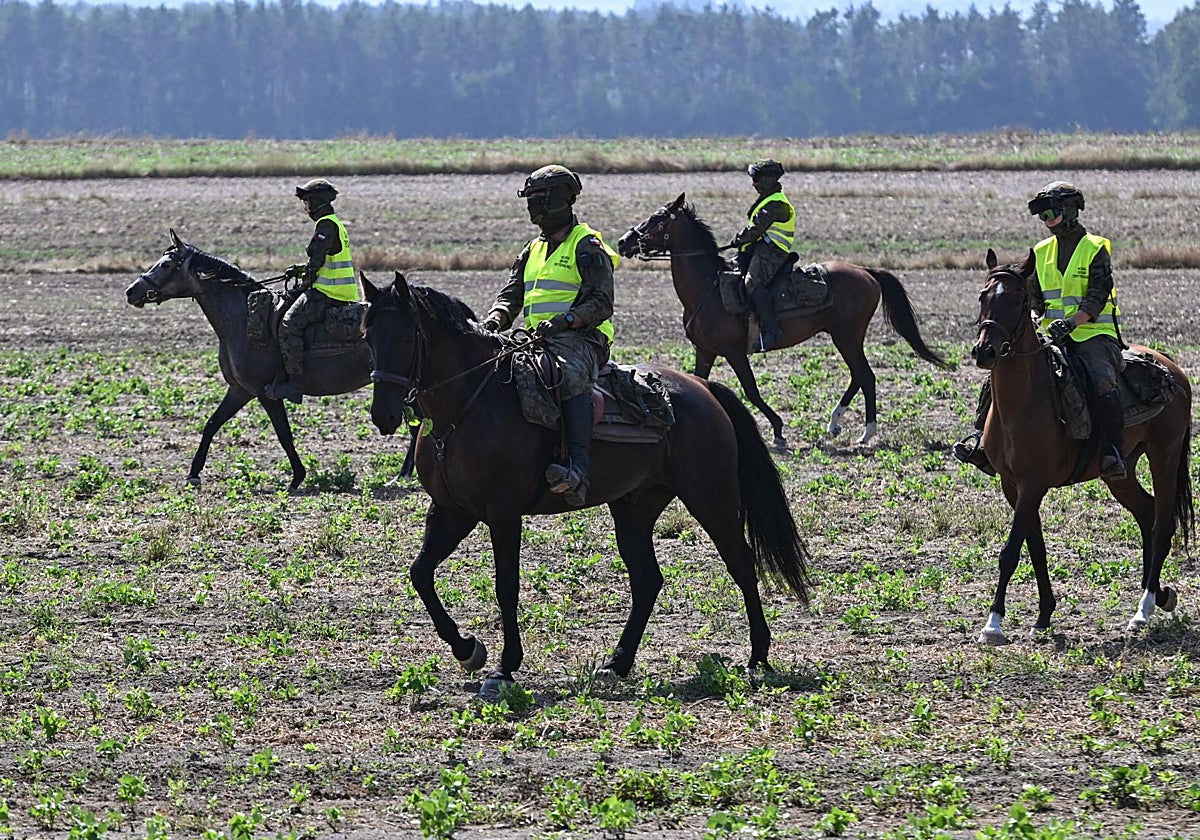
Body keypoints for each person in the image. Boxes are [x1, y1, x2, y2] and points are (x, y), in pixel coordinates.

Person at [954, 181, 1127, 480]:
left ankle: (1112, 452)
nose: (1047, 221)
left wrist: (1072, 323)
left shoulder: (1095, 248)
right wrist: (1035, 317)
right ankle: (982, 443)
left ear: (1071, 210)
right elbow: (1034, 299)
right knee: (995, 379)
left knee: (1100, 380)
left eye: (1052, 213)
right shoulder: (1040, 252)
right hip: (1051, 336)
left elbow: (1097, 297)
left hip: (1093, 335)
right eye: (1043, 216)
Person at [478, 164, 617, 506]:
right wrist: (496, 320)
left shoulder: (587, 245)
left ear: (562, 200)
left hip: (582, 340)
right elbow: (512, 295)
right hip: (535, 337)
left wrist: (567, 320)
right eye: (531, 199)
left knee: (567, 375)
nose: (533, 206)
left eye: (540, 199)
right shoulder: (531, 250)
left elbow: (602, 302)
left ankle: (579, 470)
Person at [264, 178, 358, 404]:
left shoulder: (326, 225)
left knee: (288, 324)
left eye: (306, 202)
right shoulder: (334, 223)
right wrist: (298, 270)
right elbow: (323, 259)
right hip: (341, 292)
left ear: (316, 202)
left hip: (328, 293)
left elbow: (316, 263)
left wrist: (301, 287)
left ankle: (294, 384)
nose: (305, 208)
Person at [727, 159, 795, 351]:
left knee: (752, 283)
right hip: (761, 248)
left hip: (773, 251)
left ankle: (772, 332)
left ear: (770, 179)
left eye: (757, 179)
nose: (753, 183)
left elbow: (755, 230)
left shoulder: (776, 204)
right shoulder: (768, 198)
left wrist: (737, 240)